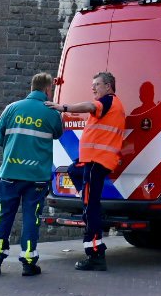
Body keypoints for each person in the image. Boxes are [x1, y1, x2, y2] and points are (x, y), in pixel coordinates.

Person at [0, 70, 66, 276]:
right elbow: (58, 133)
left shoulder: (11, 108)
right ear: (48, 89)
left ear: (31, 87)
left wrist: (13, 147)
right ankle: (28, 263)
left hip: (10, 173)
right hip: (37, 177)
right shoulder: (52, 113)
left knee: (3, 216)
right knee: (31, 219)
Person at [49, 69, 127, 271]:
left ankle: (95, 256)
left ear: (108, 86)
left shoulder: (108, 101)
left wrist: (63, 107)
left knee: (90, 209)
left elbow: (89, 106)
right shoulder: (112, 104)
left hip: (96, 162)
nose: (93, 87)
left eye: (97, 84)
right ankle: (84, 196)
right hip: (91, 162)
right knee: (74, 170)